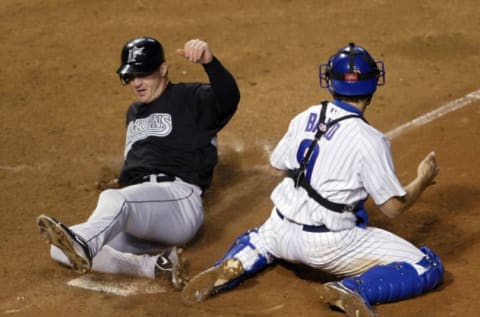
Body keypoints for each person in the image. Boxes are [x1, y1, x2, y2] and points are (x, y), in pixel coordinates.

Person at [181, 43, 444, 316]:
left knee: (263, 235)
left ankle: (241, 258)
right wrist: (422, 180)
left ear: (330, 81)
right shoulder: (370, 140)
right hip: (329, 246)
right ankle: (354, 289)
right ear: (372, 85)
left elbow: (275, 166)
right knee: (427, 264)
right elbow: (393, 208)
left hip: (279, 231)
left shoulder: (306, 116)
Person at [36, 37, 240, 291]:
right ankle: (155, 266)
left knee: (114, 200)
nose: (137, 83)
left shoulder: (190, 97)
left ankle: (85, 244)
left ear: (163, 70)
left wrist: (210, 63)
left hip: (178, 200)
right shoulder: (134, 112)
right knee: (58, 249)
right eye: (131, 76)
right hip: (142, 215)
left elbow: (229, 97)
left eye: (143, 74)